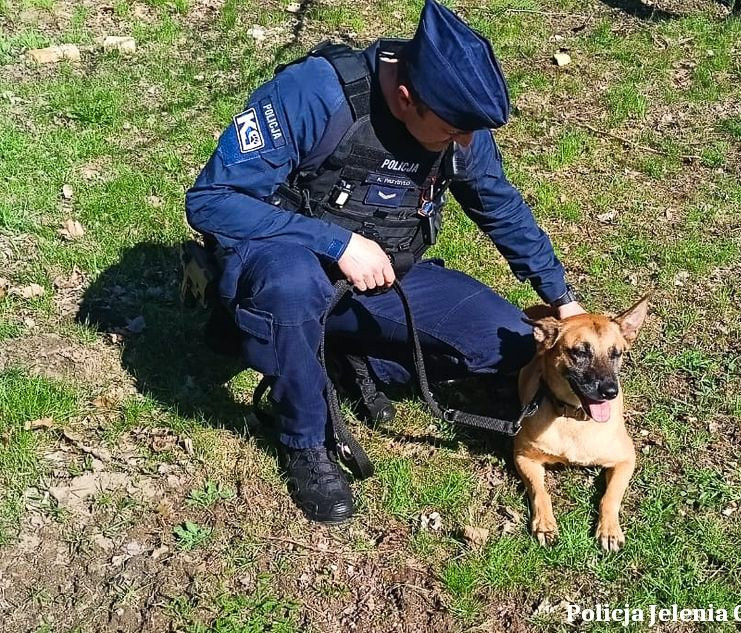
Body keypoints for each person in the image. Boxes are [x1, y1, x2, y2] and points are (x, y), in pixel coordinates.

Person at [185, 0, 584, 524]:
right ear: (405, 97)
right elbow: (211, 201)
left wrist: (561, 297)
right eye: (452, 133)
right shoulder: (316, 94)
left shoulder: (456, 119)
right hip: (289, 264)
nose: (464, 144)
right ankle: (304, 440)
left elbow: (499, 205)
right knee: (291, 285)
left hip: (383, 278)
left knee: (505, 344)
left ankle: (328, 351)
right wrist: (337, 243)